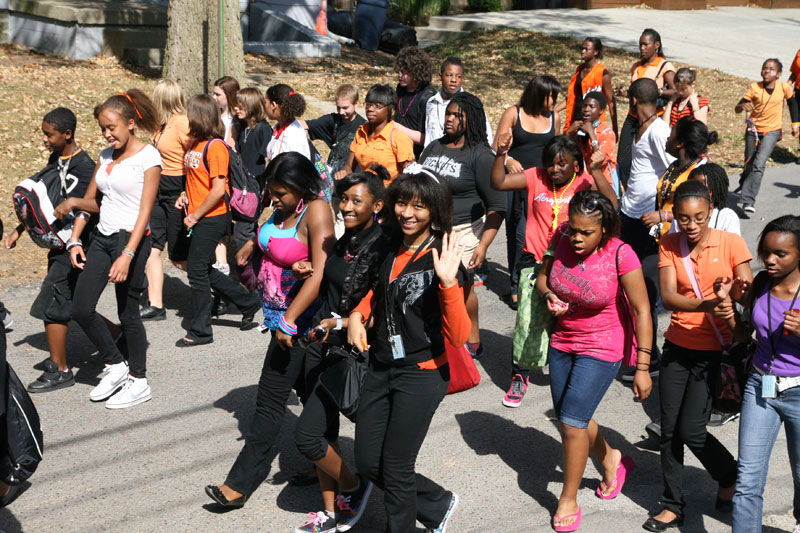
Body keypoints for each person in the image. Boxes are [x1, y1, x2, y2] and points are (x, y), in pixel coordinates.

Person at [205, 152, 334, 509]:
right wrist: (251, 244)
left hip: (299, 325)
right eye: (271, 192)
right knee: (314, 398)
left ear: (301, 187)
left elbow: (320, 274)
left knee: (268, 403)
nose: (273, 199)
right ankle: (326, 466)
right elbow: (277, 242)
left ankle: (238, 485)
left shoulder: (317, 211)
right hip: (278, 317)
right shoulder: (282, 209)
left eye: (280, 192)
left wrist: (289, 321)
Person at [347, 169, 469, 533]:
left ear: (435, 210)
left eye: (419, 206)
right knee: (369, 463)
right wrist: (358, 314)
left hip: (422, 372)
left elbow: (460, 335)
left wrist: (448, 283)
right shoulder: (390, 242)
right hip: (381, 366)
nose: (408, 213)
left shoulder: (443, 258)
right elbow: (379, 290)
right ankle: (436, 503)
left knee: (397, 467)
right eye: (402, 202)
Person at [536, 190, 652, 532]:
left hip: (603, 343)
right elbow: (543, 277)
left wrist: (643, 367)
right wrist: (549, 294)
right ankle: (610, 458)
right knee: (572, 417)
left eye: (585, 232)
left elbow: (643, 310)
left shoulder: (621, 254)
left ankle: (568, 498)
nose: (576, 237)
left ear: (605, 229)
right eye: (573, 229)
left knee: (571, 423)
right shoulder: (560, 237)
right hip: (563, 338)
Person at [643, 180, 752, 532]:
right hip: (678, 346)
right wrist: (706, 302)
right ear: (675, 216)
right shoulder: (669, 243)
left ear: (710, 212)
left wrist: (735, 293)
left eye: (699, 218)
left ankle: (728, 474)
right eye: (683, 218)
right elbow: (670, 297)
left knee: (692, 429)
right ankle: (672, 504)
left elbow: (747, 293)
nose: (691, 226)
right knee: (669, 430)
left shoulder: (731, 243)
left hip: (716, 353)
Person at [293, 168, 390, 533]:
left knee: (312, 437)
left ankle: (355, 487)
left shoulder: (381, 248)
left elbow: (375, 307)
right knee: (320, 434)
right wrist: (308, 271)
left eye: (356, 201)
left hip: (350, 353)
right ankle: (332, 512)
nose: (346, 207)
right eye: (343, 199)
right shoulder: (343, 241)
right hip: (321, 346)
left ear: (377, 205)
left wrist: (341, 323)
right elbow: (329, 281)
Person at [491, 134, 618, 408]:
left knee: (565, 323)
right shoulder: (535, 176)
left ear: (575, 164)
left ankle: (568, 371)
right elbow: (499, 182)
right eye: (550, 163)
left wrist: (595, 171)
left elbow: (613, 208)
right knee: (526, 323)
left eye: (562, 164)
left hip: (570, 266)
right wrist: (501, 153)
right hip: (534, 262)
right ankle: (520, 375)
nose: (554, 169)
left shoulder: (584, 181)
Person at [4, 107, 120, 393]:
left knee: (53, 304)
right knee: (75, 302)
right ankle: (118, 337)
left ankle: (61, 369)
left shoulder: (84, 166)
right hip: (59, 243)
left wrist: (73, 208)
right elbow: (47, 199)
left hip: (80, 245)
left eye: (49, 134)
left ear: (67, 134)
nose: (44, 139)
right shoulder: (57, 159)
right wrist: (21, 228)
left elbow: (95, 206)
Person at [64, 89, 161, 409]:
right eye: (103, 129)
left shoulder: (149, 157)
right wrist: (76, 239)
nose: (107, 134)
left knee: (127, 313)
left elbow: (145, 211)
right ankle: (116, 364)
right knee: (81, 308)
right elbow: (92, 202)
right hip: (102, 239)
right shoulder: (105, 156)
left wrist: (128, 254)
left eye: (112, 128)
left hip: (131, 240)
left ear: (130, 124)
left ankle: (139, 380)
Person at [419, 91, 505, 359]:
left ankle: (469, 339)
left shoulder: (480, 156)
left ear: (471, 119)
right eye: (448, 114)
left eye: (458, 115)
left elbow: (498, 206)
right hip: (431, 229)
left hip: (464, 232)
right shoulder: (434, 147)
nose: (450, 119)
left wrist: (484, 245)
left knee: (456, 288)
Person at [174, 94, 262, 347]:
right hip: (197, 215)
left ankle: (201, 331)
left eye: (190, 113)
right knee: (199, 268)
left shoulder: (215, 147)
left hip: (212, 217)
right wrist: (184, 197)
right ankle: (247, 301)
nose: (187, 117)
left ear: (199, 116)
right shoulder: (194, 143)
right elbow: (194, 181)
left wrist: (195, 215)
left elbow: (217, 189)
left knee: (197, 273)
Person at [731, 215, 800, 533]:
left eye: (781, 254)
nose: (769, 260)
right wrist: (728, 307)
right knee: (747, 478)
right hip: (761, 385)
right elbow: (746, 336)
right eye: (766, 251)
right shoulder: (761, 284)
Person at [617, 78, 676, 380]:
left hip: (647, 226)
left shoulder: (658, 131)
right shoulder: (641, 127)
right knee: (626, 289)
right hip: (629, 218)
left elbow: (681, 172)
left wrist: (664, 214)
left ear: (634, 101)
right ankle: (640, 350)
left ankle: (650, 358)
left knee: (645, 292)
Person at [493, 74, 561, 312]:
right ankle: (515, 285)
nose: (554, 102)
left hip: (540, 184)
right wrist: (509, 159)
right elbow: (497, 146)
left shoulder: (554, 117)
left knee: (529, 233)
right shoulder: (514, 113)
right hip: (515, 182)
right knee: (514, 233)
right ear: (538, 94)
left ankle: (525, 283)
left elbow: (555, 150)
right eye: (551, 96)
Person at [141, 79, 191, 321]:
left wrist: (187, 193)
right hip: (159, 193)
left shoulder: (182, 123)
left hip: (177, 193)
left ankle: (221, 292)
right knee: (152, 247)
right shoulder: (163, 124)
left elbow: (196, 158)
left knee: (180, 258)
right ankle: (156, 305)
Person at [735, 58, 799, 213]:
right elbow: (737, 108)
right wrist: (742, 106)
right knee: (749, 163)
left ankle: (748, 201)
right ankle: (744, 182)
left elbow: (792, 104)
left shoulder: (784, 88)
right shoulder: (754, 88)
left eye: (771, 69)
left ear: (778, 74)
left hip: (772, 131)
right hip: (753, 131)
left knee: (759, 163)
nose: (767, 71)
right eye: (764, 68)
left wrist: (795, 123)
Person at [616, 28, 676, 186]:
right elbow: (637, 91)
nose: (642, 48)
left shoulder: (664, 67)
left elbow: (677, 90)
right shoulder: (637, 67)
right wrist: (626, 92)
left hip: (652, 120)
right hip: (633, 118)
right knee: (623, 162)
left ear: (656, 45)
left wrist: (658, 91)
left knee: (650, 162)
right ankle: (629, 193)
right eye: (640, 45)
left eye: (645, 44)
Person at [640, 117, 718, 239]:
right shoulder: (674, 166)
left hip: (683, 240)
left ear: (680, 143)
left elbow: (704, 213)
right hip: (662, 237)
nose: (667, 139)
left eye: (671, 135)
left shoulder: (699, 174)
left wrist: (665, 216)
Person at [336, 84, 415, 184]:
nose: (370, 109)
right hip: (365, 193)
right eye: (368, 104)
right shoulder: (361, 131)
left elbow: (409, 176)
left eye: (378, 106)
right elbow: (349, 166)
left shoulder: (398, 137)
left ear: (392, 109)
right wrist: (345, 171)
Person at [424, 57, 493, 149]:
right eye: (449, 75)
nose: (454, 80)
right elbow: (429, 135)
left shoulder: (470, 104)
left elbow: (486, 136)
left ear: (463, 79)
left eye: (458, 76)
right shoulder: (431, 102)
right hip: (432, 156)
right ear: (440, 77)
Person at [233, 87, 273, 247]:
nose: (236, 109)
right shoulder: (245, 129)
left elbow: (267, 159)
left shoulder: (263, 129)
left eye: (240, 106)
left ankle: (247, 265)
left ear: (251, 106)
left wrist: (268, 187)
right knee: (247, 226)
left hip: (256, 187)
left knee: (243, 229)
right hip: (244, 185)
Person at [301, 84, 366, 175]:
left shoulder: (364, 127)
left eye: (345, 108)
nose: (341, 112)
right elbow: (305, 124)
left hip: (352, 178)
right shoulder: (334, 120)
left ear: (356, 104)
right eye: (338, 107)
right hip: (332, 177)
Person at [561, 37, 618, 138]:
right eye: (582, 48)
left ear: (595, 51)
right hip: (575, 119)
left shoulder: (602, 73)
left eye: (586, 49)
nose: (583, 51)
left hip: (592, 123)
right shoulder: (579, 69)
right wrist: (556, 110)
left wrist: (615, 129)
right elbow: (572, 96)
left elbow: (611, 102)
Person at [565, 91, 617, 191]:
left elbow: (599, 161)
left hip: (600, 186)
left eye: (591, 106)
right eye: (584, 106)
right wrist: (568, 133)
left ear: (601, 110)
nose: (586, 109)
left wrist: (591, 134)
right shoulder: (577, 130)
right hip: (580, 185)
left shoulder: (606, 133)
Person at [392, 45, 437, 157]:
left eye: (404, 72)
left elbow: (427, 139)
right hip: (396, 149)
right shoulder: (401, 88)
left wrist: (396, 127)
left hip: (415, 156)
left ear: (416, 71)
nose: (400, 75)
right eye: (399, 71)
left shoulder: (428, 97)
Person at [265, 83, 311, 162]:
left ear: (273, 105)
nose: (264, 106)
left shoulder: (293, 138)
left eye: (265, 103)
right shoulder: (279, 127)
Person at [213, 76, 241, 147]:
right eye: (214, 94)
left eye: (218, 95)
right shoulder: (214, 113)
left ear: (229, 95)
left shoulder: (235, 120)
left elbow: (229, 146)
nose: (214, 97)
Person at [789, 49, 800, 165]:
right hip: (798, 92)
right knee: (798, 123)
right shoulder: (799, 53)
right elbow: (795, 72)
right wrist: (786, 86)